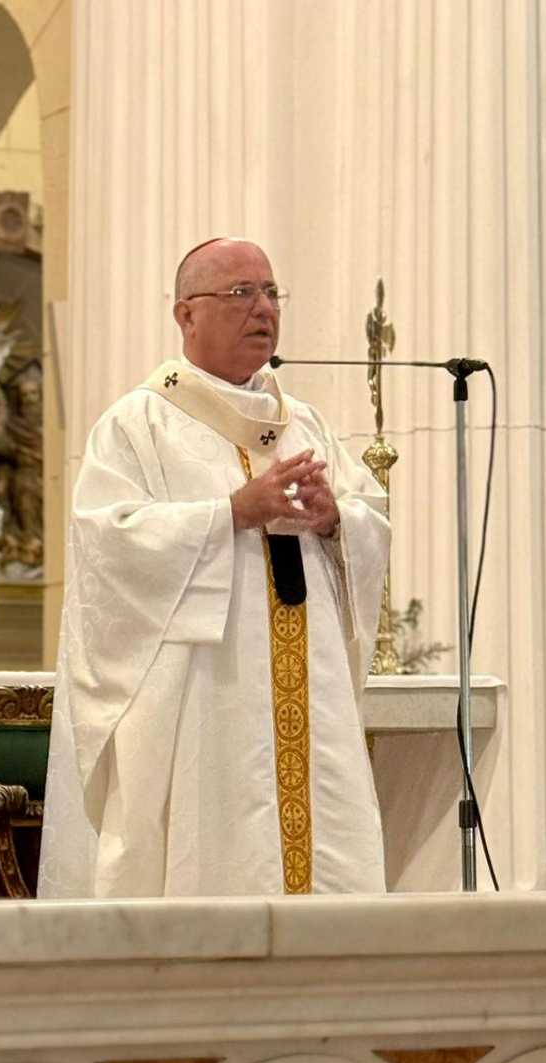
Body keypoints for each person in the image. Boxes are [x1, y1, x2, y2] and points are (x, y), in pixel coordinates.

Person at [38, 237, 391, 899]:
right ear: (185, 314)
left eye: (269, 292)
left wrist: (333, 518)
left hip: (308, 689)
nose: (261, 308)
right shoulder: (139, 422)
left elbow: (368, 516)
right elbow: (106, 543)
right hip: (202, 695)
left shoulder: (304, 424)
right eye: (239, 293)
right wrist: (229, 511)